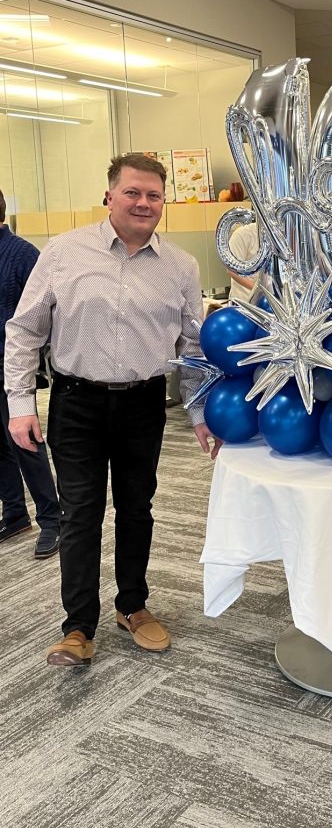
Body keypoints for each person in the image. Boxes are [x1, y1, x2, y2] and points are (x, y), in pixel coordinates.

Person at [4, 154, 221, 668]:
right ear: (110, 195)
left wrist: (199, 414)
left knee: (137, 507)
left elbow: (193, 349)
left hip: (144, 404)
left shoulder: (181, 267)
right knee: (81, 513)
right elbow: (24, 330)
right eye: (133, 193)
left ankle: (132, 605)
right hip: (75, 401)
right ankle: (78, 627)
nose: (144, 203)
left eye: (153, 195)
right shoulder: (63, 252)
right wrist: (18, 404)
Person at [0, 190, 61, 558]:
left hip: (11, 370)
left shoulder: (23, 255)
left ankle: (52, 518)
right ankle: (14, 513)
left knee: (25, 444)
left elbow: (42, 318)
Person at [226, 221, 260, 304]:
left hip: (270, 302)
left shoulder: (281, 235)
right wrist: (258, 291)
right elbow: (232, 270)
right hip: (243, 302)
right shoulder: (242, 234)